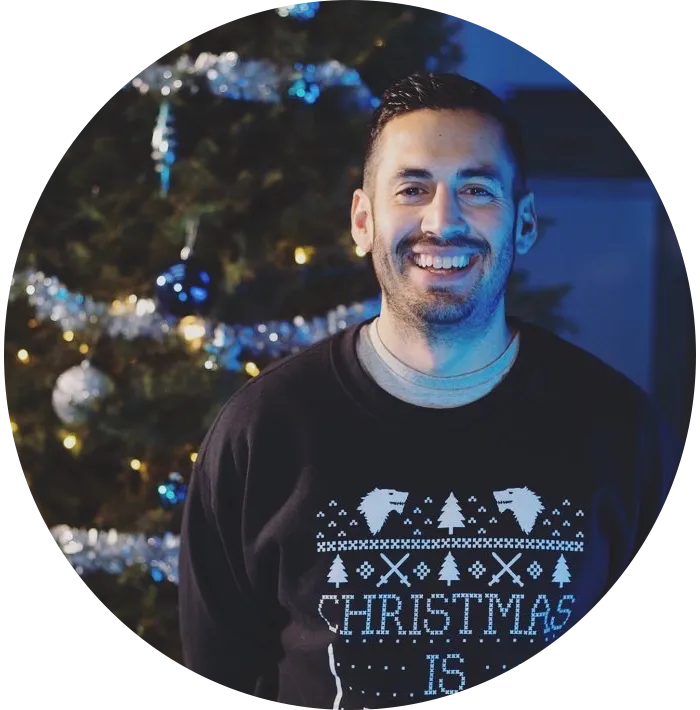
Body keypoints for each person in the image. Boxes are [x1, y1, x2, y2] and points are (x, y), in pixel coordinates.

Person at [178, 72, 681, 707]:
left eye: (476, 190)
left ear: (524, 223)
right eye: (413, 189)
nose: (442, 222)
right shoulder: (263, 430)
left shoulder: (620, 430)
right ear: (363, 221)